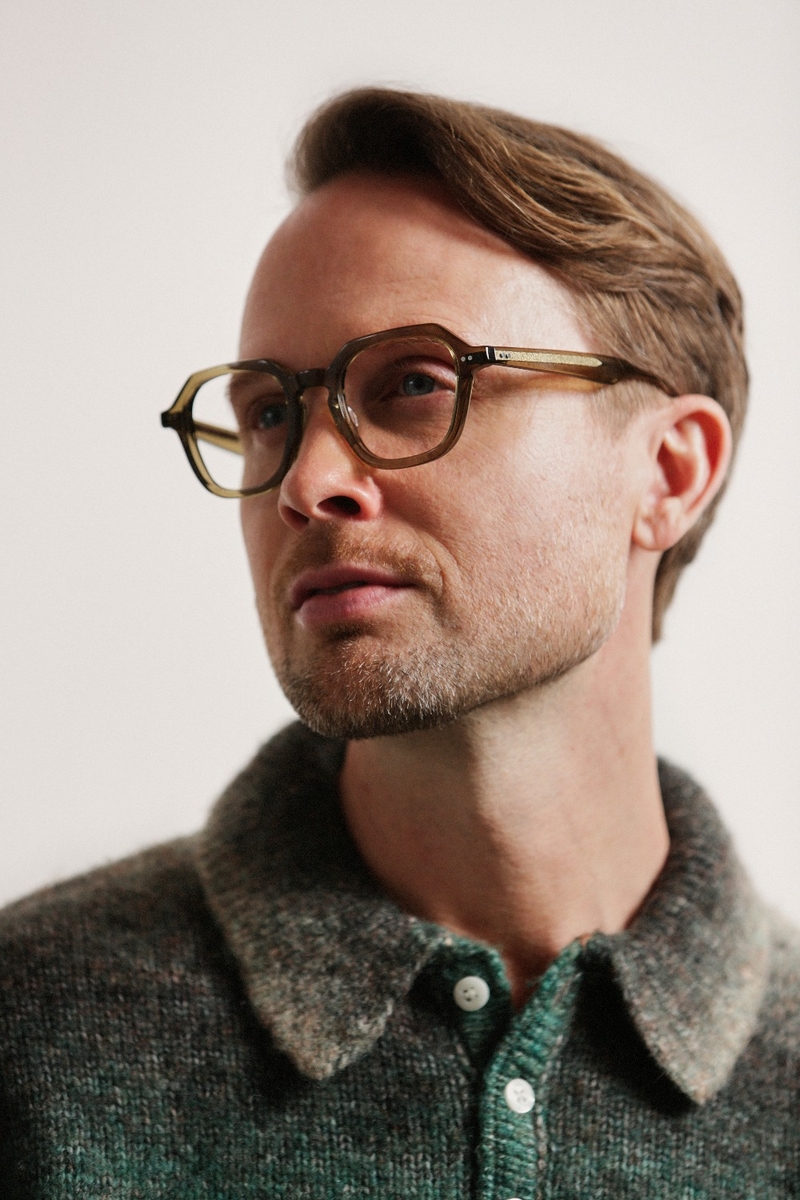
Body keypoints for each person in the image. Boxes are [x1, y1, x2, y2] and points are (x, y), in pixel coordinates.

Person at [1, 86, 797, 1197]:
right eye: (270, 413)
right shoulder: (32, 1036)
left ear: (667, 473)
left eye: (416, 384)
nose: (306, 482)